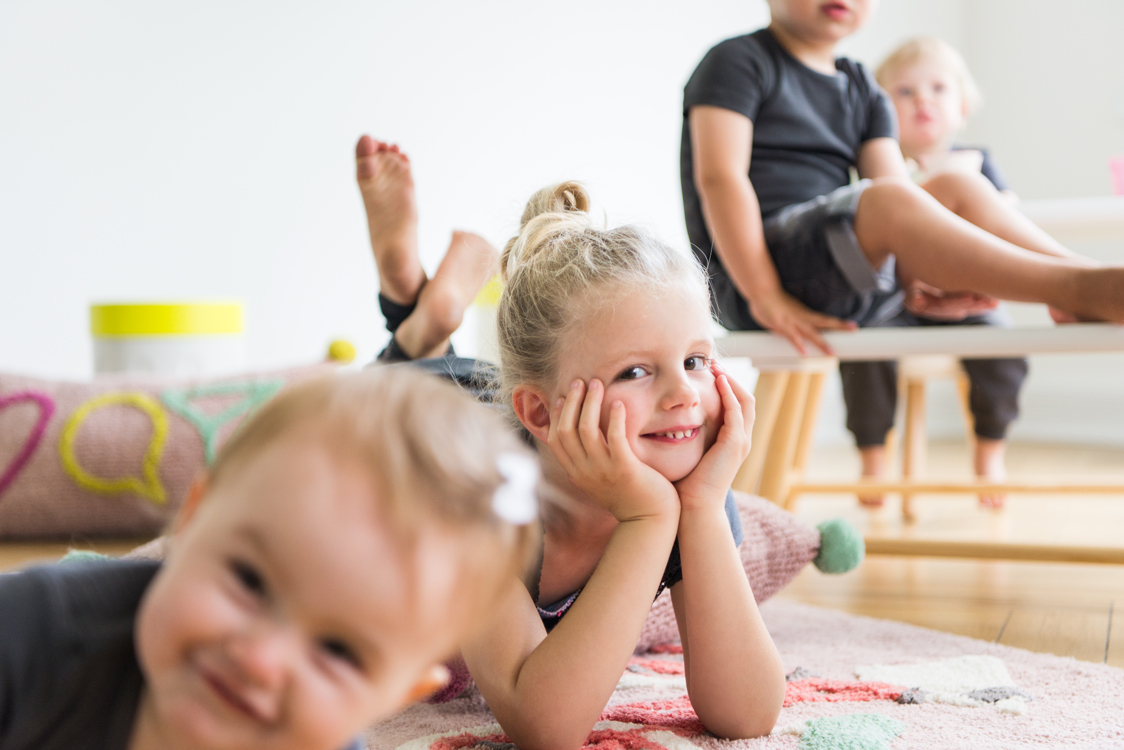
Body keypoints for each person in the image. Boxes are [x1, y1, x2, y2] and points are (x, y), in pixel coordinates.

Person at [355, 138, 785, 746]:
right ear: (540, 411)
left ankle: (423, 317)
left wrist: (699, 512)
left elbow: (747, 716)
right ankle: (410, 311)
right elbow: (544, 725)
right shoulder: (475, 491)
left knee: (469, 380)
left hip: (490, 399)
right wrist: (646, 518)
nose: (684, 396)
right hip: (392, 433)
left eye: (695, 359)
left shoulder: (688, 485)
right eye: (635, 372)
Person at [679, 0, 1124, 508]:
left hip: (842, 273)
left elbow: (906, 203)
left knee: (955, 181)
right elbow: (720, 178)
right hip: (760, 273)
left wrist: (919, 280)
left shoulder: (863, 87)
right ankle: (1075, 287)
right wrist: (763, 293)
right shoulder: (738, 61)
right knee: (885, 197)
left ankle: (1077, 276)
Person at [0, 368, 539, 750]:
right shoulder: (37, 630)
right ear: (191, 522)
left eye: (337, 650)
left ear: (395, 694)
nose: (260, 657)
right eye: (250, 581)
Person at [837, 36, 1030, 508]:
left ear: (961, 107)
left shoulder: (979, 163)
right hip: (895, 304)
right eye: (904, 92)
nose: (923, 99)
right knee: (863, 351)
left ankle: (989, 455)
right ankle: (873, 460)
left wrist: (986, 201)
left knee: (1006, 350)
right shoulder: (876, 171)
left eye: (938, 88)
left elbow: (1008, 221)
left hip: (968, 303)